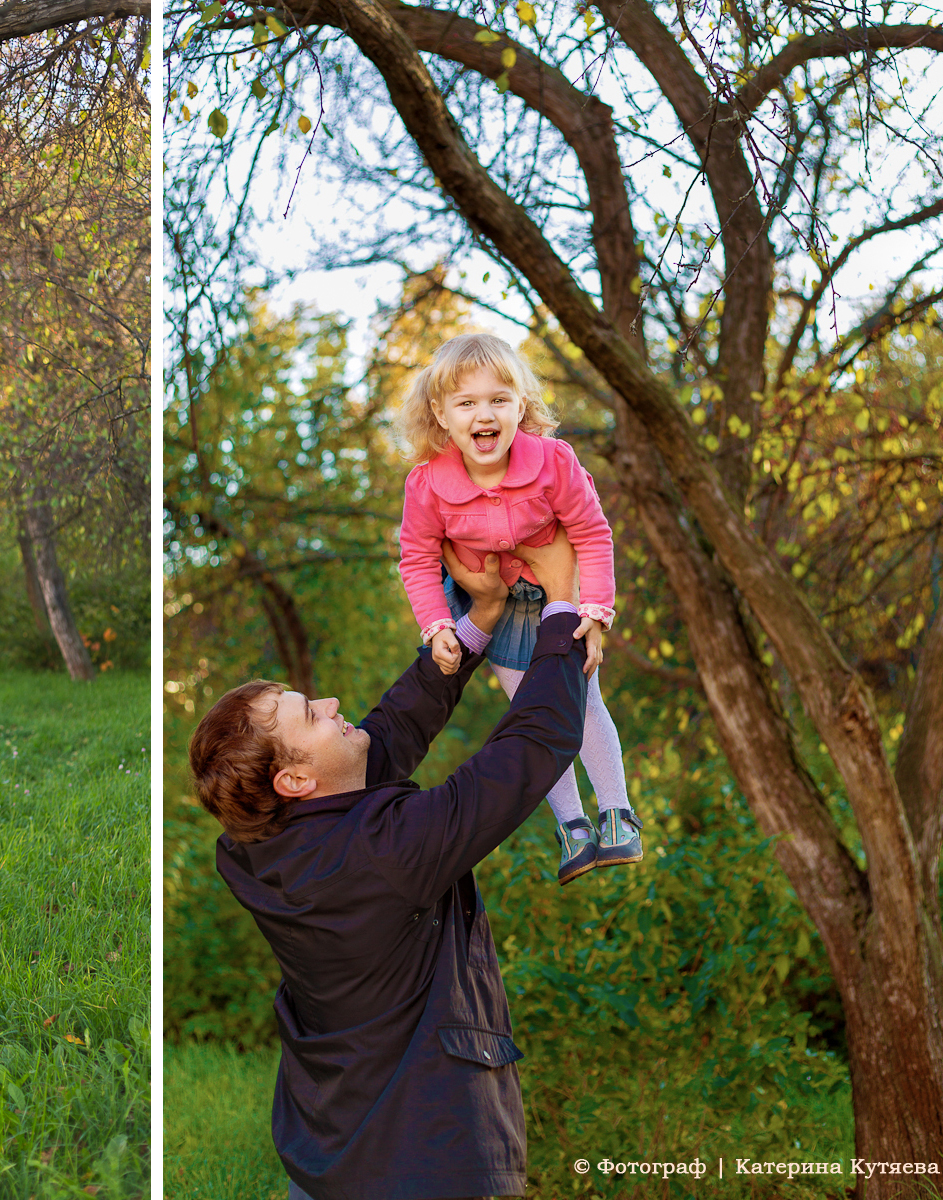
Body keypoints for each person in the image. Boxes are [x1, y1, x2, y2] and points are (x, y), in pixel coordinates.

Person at [188, 533, 588, 1200]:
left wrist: (478, 619)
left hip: (327, 1160)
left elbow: (387, 734)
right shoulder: (386, 851)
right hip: (429, 1164)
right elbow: (530, 749)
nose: (335, 706)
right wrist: (563, 607)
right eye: (313, 716)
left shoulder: (254, 851)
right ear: (292, 780)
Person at [397, 332, 639, 884]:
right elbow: (415, 557)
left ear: (521, 404)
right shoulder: (428, 484)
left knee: (582, 702)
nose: (484, 414)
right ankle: (572, 827)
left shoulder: (553, 461)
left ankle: (617, 814)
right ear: (441, 413)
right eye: (467, 403)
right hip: (498, 607)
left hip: (556, 596)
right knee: (531, 715)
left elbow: (592, 533)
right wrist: (436, 626)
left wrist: (596, 613)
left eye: (498, 399)